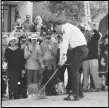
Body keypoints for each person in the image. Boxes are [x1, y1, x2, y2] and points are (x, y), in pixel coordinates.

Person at [51, 18, 89, 101]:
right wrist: (62, 59)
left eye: (56, 29)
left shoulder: (65, 28)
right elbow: (62, 45)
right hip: (80, 49)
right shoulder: (68, 27)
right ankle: (80, 93)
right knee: (75, 71)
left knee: (74, 71)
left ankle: (75, 94)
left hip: (80, 49)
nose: (57, 32)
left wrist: (62, 60)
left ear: (58, 26)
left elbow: (64, 45)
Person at [24, 34, 44, 98]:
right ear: (31, 40)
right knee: (29, 81)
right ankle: (30, 93)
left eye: (35, 39)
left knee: (35, 81)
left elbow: (40, 57)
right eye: (33, 39)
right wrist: (30, 51)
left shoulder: (39, 47)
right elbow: (25, 57)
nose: (34, 41)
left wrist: (41, 64)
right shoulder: (27, 47)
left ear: (36, 40)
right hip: (29, 66)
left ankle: (35, 93)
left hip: (36, 67)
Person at [82, 24, 101, 92]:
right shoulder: (83, 39)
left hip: (93, 58)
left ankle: (98, 87)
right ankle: (85, 87)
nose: (87, 32)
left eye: (88, 31)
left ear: (91, 31)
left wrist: (94, 29)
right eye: (86, 31)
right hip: (85, 59)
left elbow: (98, 35)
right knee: (85, 73)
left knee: (94, 73)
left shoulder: (94, 37)